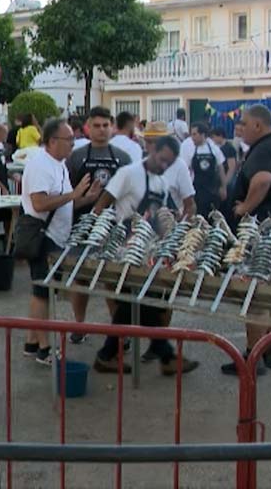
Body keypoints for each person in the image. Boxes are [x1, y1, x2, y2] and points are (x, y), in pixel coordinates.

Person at [90, 135, 200, 375]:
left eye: (168, 164)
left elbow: (157, 216)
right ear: (152, 150)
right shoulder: (128, 174)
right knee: (139, 300)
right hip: (125, 250)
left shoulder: (160, 182)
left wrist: (172, 238)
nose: (164, 166)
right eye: (162, 160)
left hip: (148, 251)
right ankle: (165, 356)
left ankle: (110, 355)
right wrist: (99, 237)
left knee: (136, 303)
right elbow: (102, 204)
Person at [222, 105, 271, 376]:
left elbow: (263, 180)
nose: (241, 128)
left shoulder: (264, 149)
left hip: (262, 231)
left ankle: (252, 357)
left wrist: (245, 207)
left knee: (254, 292)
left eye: (244, 123)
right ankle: (269, 347)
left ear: (258, 125)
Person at [21, 119, 102, 365]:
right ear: (53, 141)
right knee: (42, 292)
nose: (72, 144)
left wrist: (85, 199)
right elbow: (39, 203)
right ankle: (44, 348)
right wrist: (73, 194)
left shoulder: (60, 165)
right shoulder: (40, 165)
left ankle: (32, 342)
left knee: (43, 290)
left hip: (57, 236)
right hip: (43, 237)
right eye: (69, 140)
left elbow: (66, 202)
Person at [63, 108, 133, 335]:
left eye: (105, 125)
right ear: (88, 128)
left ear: (112, 127)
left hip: (114, 228)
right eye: (97, 126)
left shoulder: (123, 158)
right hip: (81, 227)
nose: (101, 130)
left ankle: (118, 331)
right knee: (80, 279)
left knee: (113, 281)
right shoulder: (76, 157)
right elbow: (67, 195)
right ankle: (79, 325)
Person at [179, 122, 227, 217]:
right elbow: (185, 170)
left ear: (203, 135)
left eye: (194, 134)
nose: (192, 137)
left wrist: (223, 187)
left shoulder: (214, 148)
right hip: (196, 190)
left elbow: (221, 168)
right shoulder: (188, 148)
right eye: (191, 134)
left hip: (212, 190)